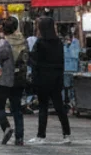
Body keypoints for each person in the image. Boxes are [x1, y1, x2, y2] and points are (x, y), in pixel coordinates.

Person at [28, 16, 72, 145]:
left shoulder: (40, 43)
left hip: (42, 79)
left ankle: (41, 135)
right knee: (59, 107)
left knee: (43, 107)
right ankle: (67, 134)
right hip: (56, 79)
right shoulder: (58, 43)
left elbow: (33, 61)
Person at [0, 17, 27, 146]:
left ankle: (6, 127)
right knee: (17, 108)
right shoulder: (23, 40)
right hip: (19, 79)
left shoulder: (3, 43)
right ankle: (20, 137)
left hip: (5, 80)